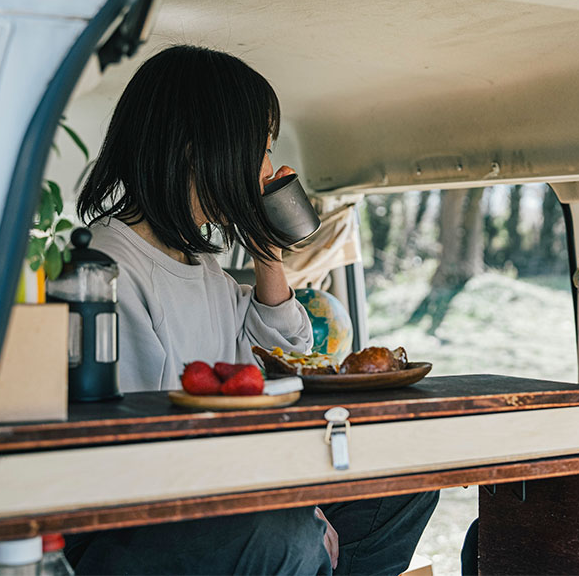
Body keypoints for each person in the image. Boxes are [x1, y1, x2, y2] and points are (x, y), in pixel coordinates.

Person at [66, 45, 437, 575]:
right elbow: (152, 445)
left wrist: (268, 254)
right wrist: (287, 501)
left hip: (220, 489)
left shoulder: (205, 270)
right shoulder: (108, 269)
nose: (268, 168)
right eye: (260, 148)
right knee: (284, 536)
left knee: (405, 485)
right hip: (136, 518)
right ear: (202, 149)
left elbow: (285, 359)